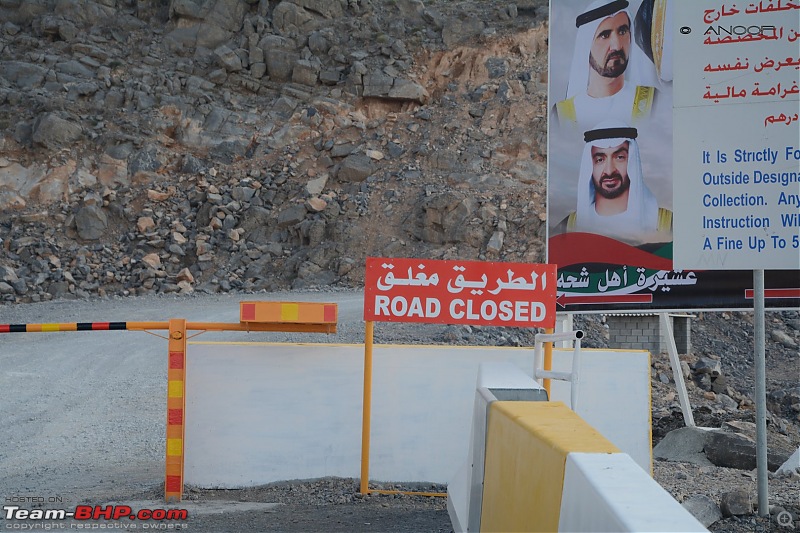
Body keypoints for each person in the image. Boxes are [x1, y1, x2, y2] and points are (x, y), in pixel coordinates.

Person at [553, 121, 672, 245]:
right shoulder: (567, 228)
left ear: (631, 162)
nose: (609, 171)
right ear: (589, 166)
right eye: (600, 160)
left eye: (619, 157)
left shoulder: (666, 224)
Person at [554, 0, 659, 132]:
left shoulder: (653, 102)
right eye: (604, 35)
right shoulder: (562, 115)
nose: (616, 45)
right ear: (586, 46)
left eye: (622, 31)